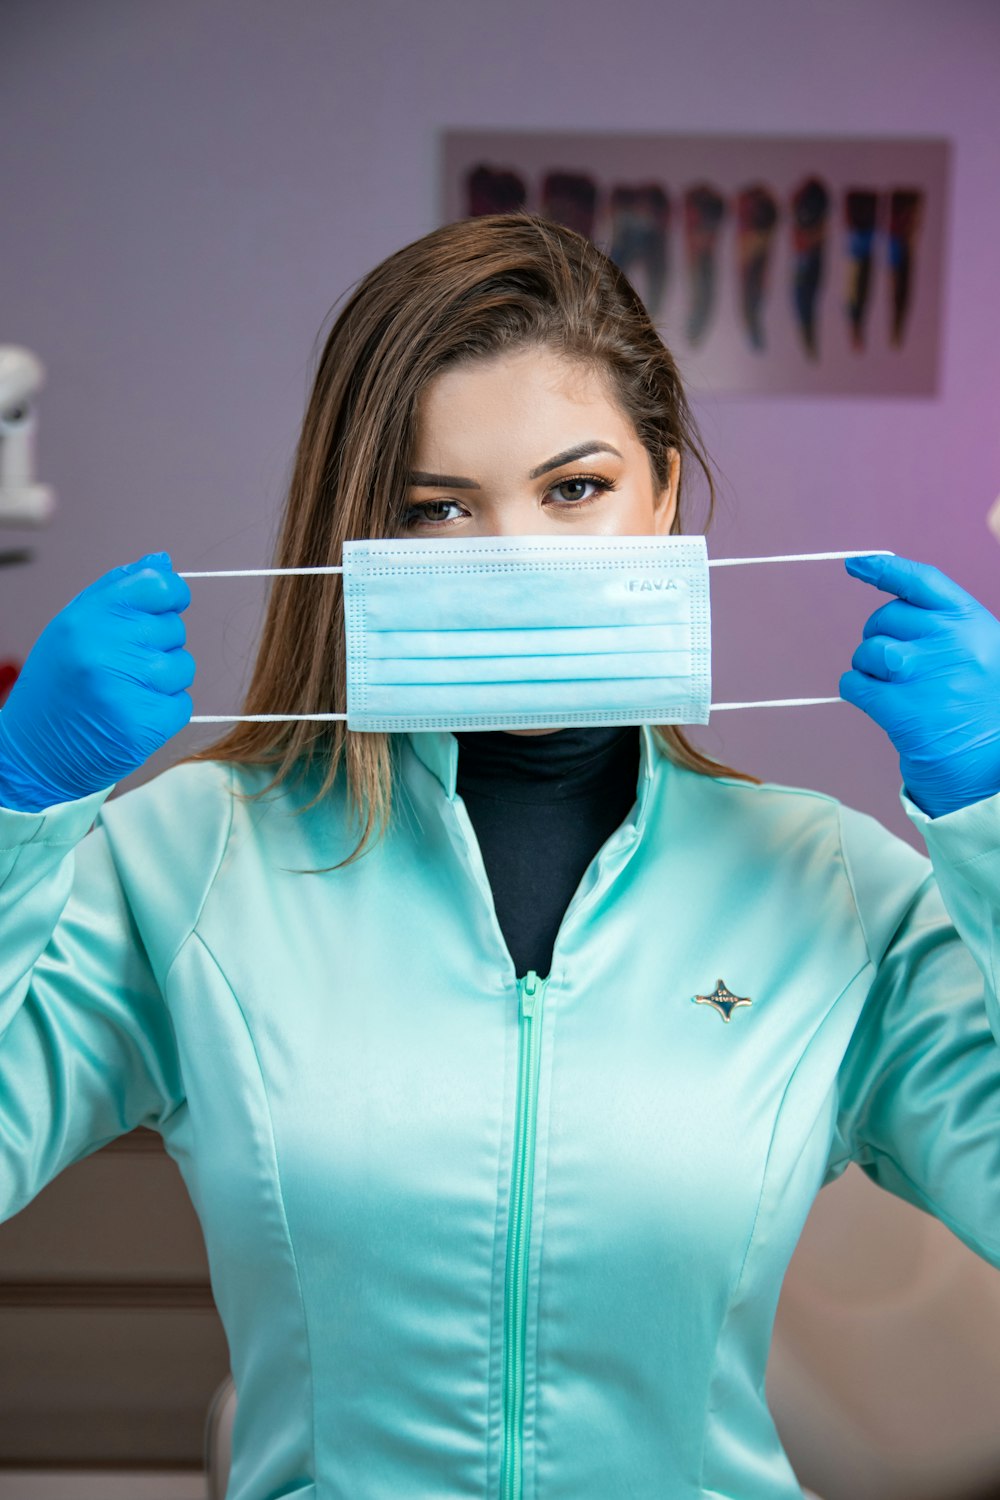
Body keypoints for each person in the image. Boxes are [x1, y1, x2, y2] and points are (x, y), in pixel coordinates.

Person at [2, 213, 1000, 1500]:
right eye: (438, 509)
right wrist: (16, 805)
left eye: (573, 489)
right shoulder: (193, 863)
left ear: (661, 498)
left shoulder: (827, 886)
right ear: (359, 537)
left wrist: (993, 812)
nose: (514, 555)